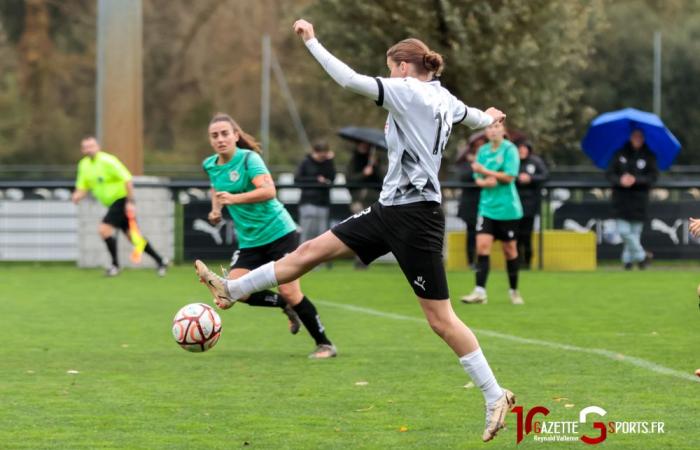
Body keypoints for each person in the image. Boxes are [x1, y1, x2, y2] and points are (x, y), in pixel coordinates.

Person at [194, 20, 514, 442]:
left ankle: (495, 395)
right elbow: (475, 118)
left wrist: (311, 41)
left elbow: (348, 80)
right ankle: (231, 290)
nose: (388, 73)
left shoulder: (406, 90)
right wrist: (489, 115)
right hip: (389, 210)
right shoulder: (443, 97)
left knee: (441, 319)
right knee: (310, 250)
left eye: (389, 66)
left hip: (417, 218)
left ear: (401, 67)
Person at [202, 113, 336, 359]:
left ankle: (325, 344)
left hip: (279, 233)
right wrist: (216, 209)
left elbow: (269, 191)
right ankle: (285, 307)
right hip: (250, 242)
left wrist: (234, 199)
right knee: (234, 290)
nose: (220, 139)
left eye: (225, 133)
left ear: (236, 136)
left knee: (290, 291)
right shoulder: (211, 164)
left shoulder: (248, 160)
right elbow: (216, 188)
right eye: (215, 135)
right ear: (210, 140)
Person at [71, 136, 168, 277]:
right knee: (134, 238)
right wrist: (77, 195)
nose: (89, 149)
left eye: (91, 146)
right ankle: (161, 261)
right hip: (111, 204)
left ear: (97, 146)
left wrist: (130, 202)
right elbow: (83, 186)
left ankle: (115, 266)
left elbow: (127, 179)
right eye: (86, 147)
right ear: (82, 150)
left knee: (103, 229)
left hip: (121, 200)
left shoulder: (108, 161)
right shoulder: (83, 165)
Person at [461, 121, 524, 305]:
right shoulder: (483, 151)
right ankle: (480, 292)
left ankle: (514, 291)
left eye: (496, 127)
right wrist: (484, 181)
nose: (492, 130)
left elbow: (510, 176)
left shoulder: (510, 149)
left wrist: (487, 172)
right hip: (487, 208)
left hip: (508, 209)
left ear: (503, 130)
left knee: (510, 250)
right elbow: (477, 178)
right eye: (489, 127)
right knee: (482, 247)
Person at [605, 129, 658, 270]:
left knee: (635, 233)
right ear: (630, 137)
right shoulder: (619, 154)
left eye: (640, 136)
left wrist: (636, 180)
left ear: (643, 138)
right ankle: (642, 256)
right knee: (623, 231)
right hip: (621, 200)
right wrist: (620, 180)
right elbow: (610, 174)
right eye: (635, 136)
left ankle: (627, 262)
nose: (637, 139)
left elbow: (652, 177)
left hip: (639, 200)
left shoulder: (649, 156)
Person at [514, 139, 549, 269]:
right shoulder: (512, 161)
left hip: (530, 204)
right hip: (514, 203)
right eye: (520, 148)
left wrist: (530, 178)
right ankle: (515, 262)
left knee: (526, 235)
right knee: (515, 235)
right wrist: (517, 178)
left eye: (524, 148)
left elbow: (545, 175)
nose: (522, 150)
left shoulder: (536, 161)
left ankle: (527, 261)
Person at [456, 133, 487, 269]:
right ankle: (471, 261)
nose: (480, 147)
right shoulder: (466, 161)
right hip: (470, 203)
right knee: (471, 233)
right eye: (477, 145)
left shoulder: (488, 159)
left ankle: (483, 261)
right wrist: (476, 166)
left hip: (486, 201)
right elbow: (465, 177)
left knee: (485, 233)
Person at [295, 140, 336, 243]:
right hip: (308, 203)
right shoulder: (305, 162)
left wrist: (330, 161)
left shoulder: (327, 163)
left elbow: (332, 177)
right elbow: (297, 179)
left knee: (322, 235)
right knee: (307, 235)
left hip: (323, 203)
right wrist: (315, 180)